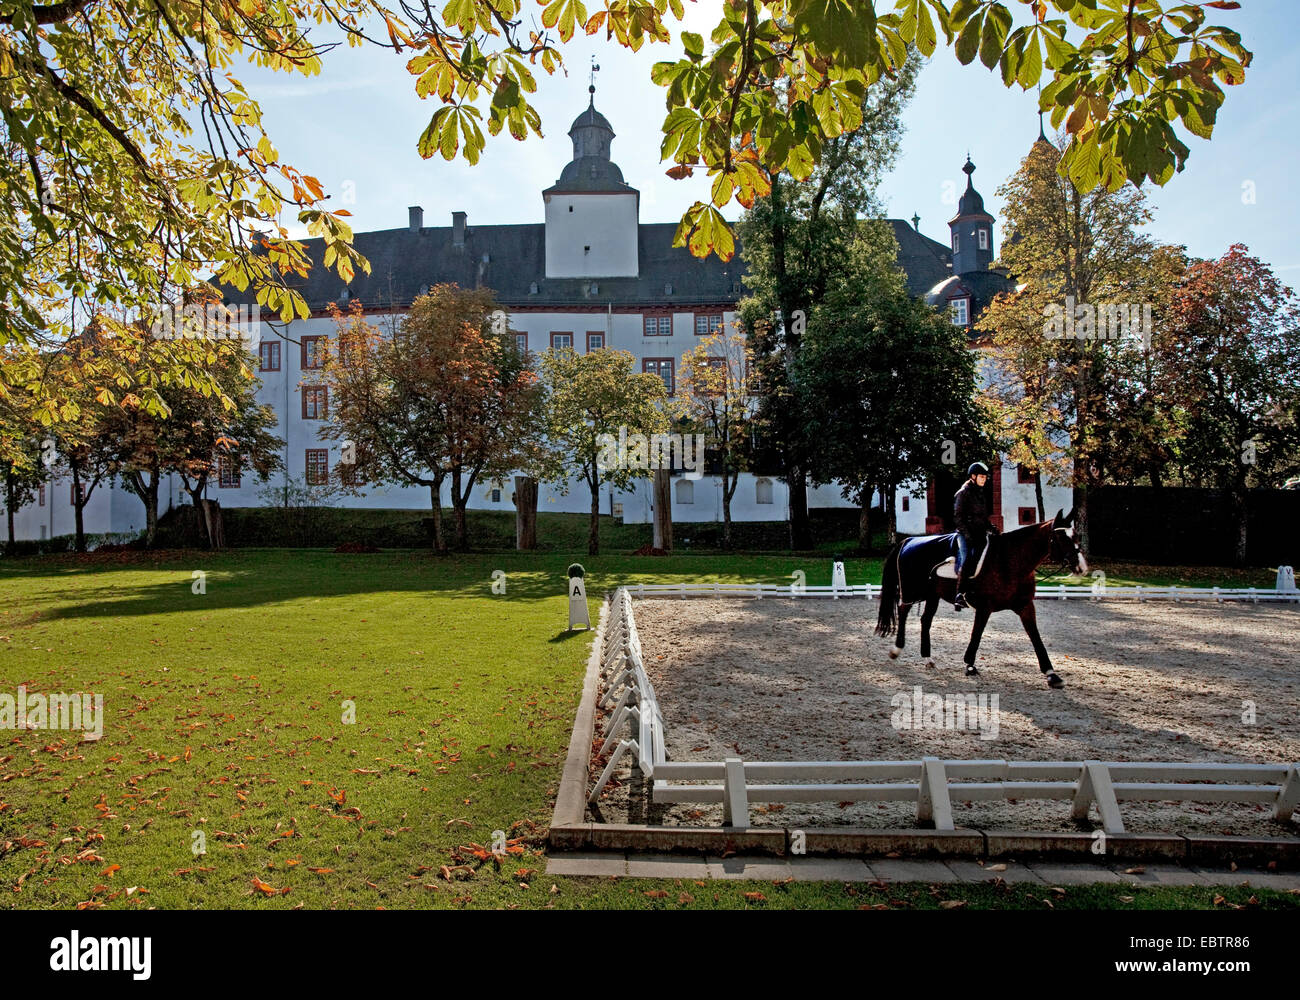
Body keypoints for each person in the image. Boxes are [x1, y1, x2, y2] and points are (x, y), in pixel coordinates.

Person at [952, 462, 995, 610]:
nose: (984, 479)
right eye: (982, 477)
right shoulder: (962, 493)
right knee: (967, 559)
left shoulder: (980, 494)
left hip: (979, 534)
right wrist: (967, 535)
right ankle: (959, 595)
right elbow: (958, 518)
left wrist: (991, 527)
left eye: (985, 477)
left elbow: (982, 518)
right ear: (973, 476)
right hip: (965, 534)